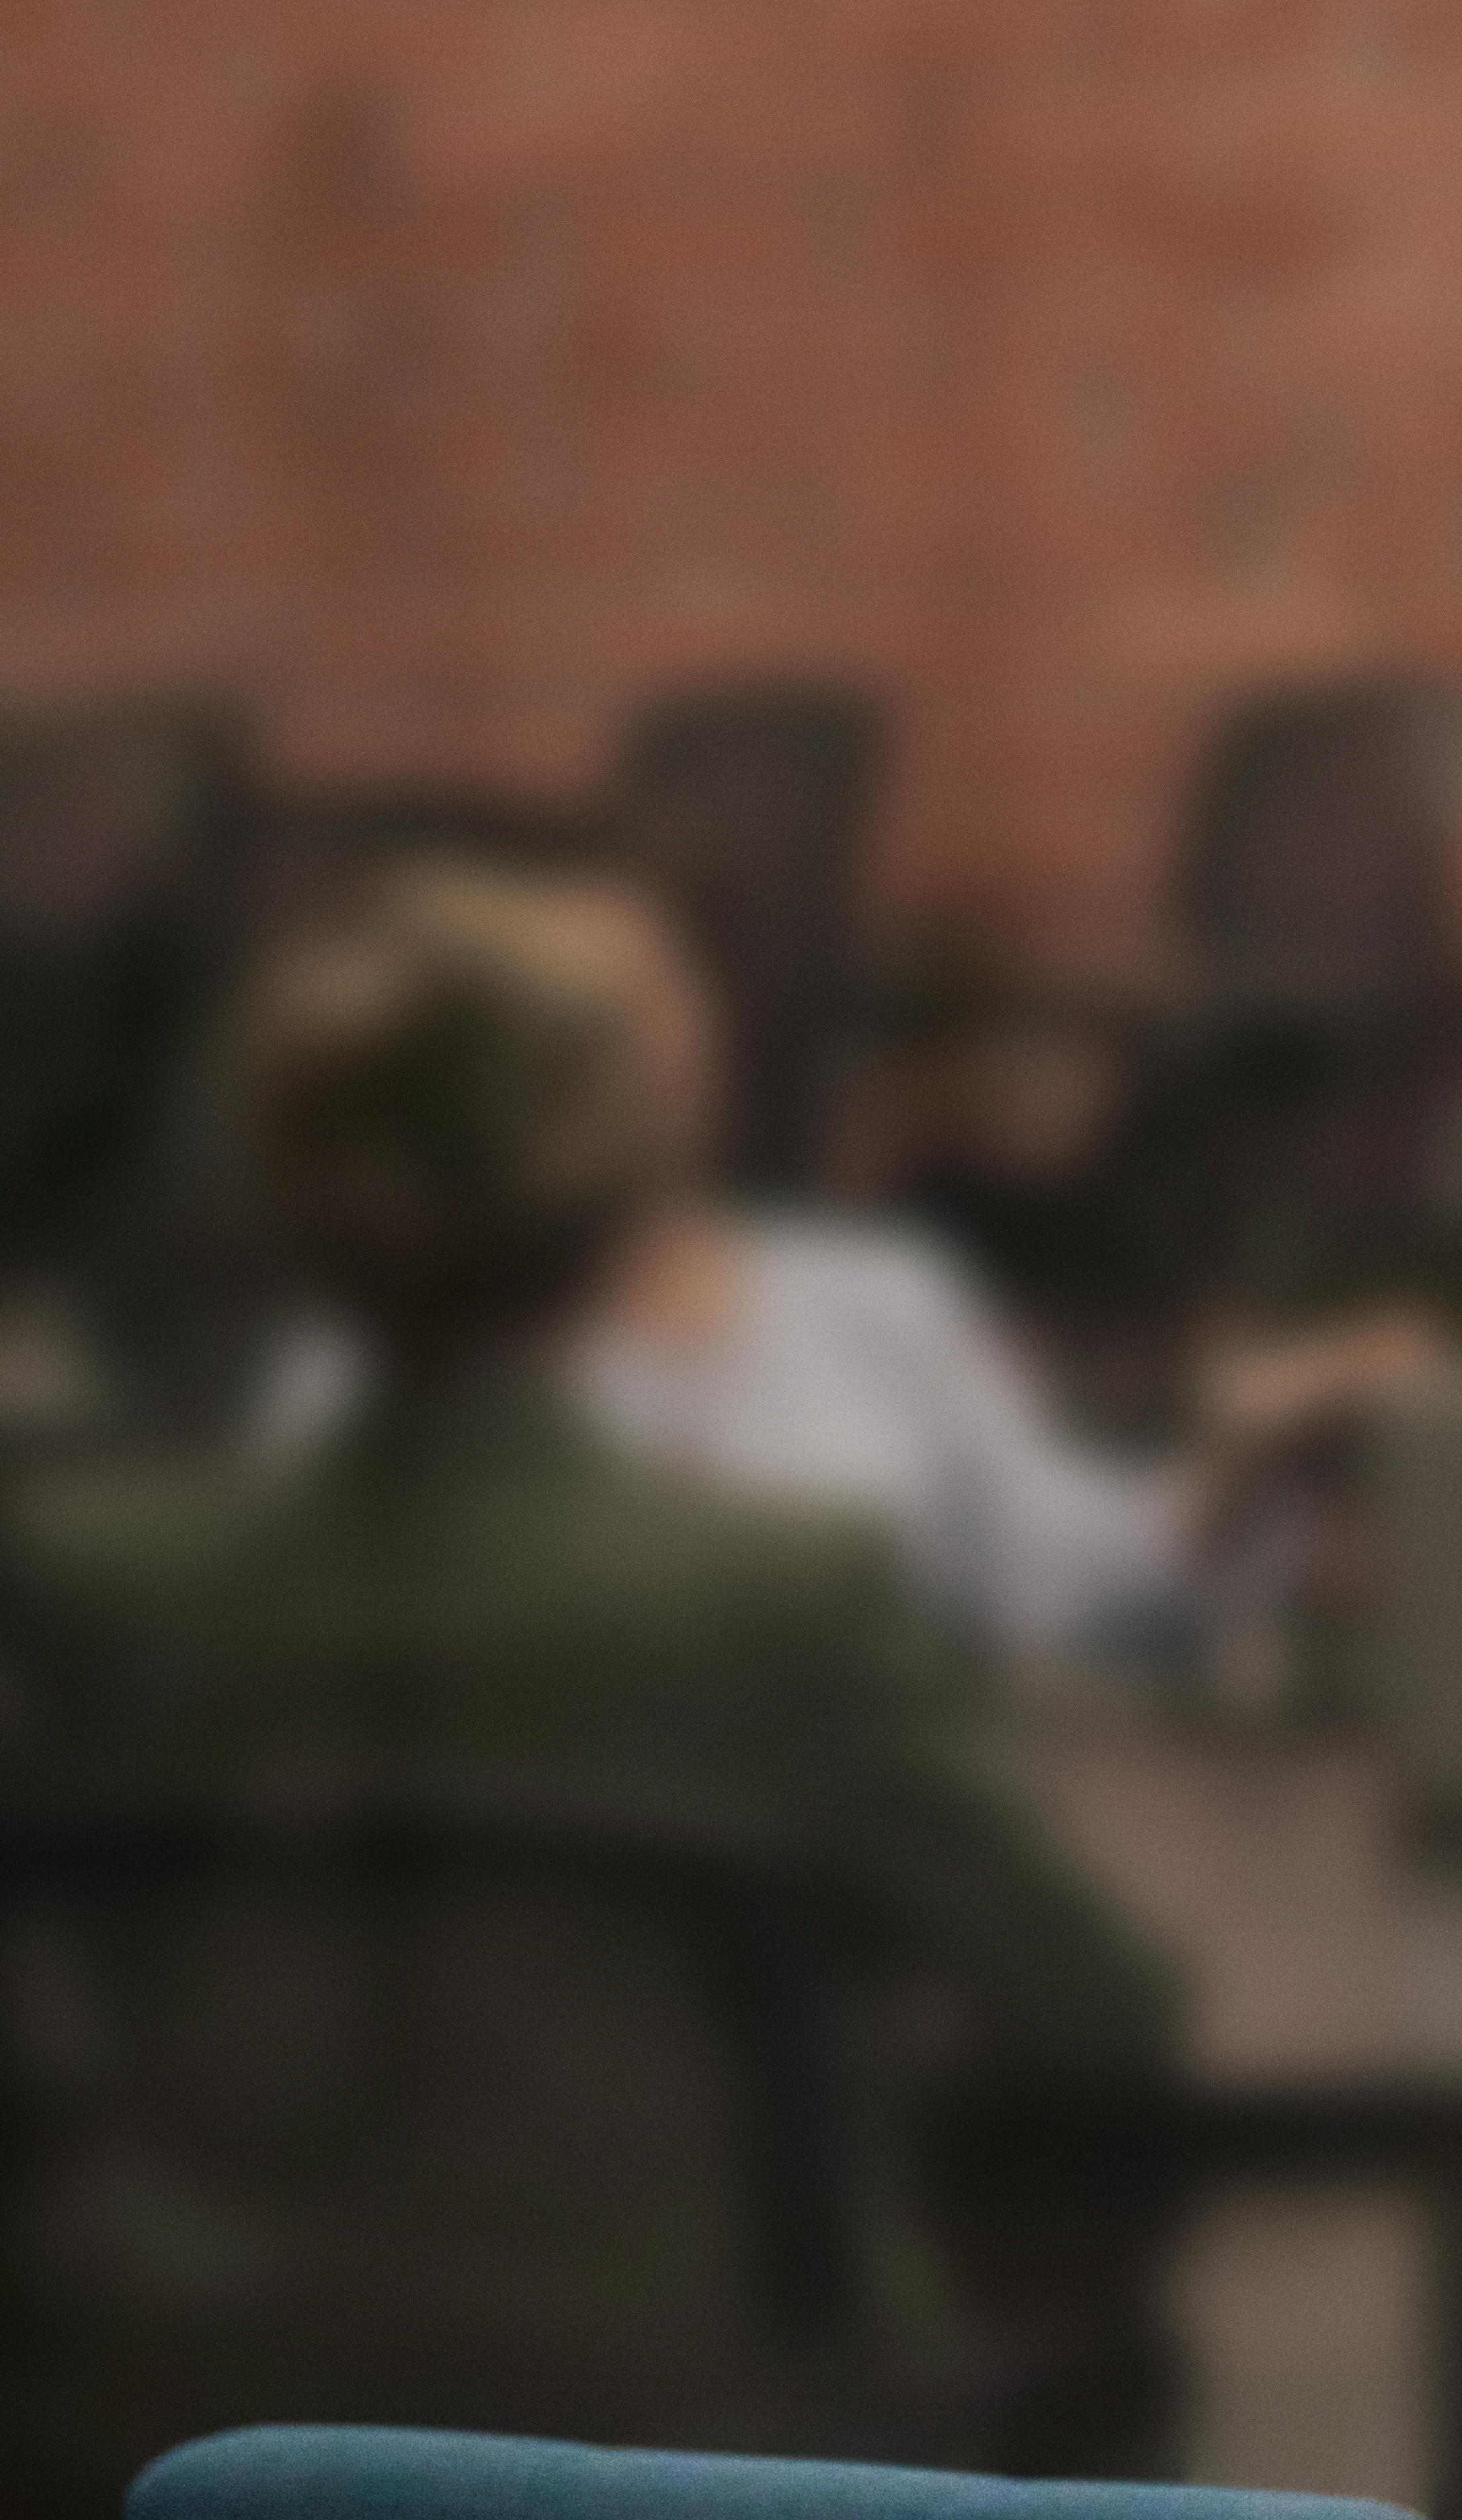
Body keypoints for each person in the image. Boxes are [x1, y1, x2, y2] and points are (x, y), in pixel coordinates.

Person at [7, 862, 1175, 2086]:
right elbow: (1109, 2004)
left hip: (213, 2262)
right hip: (691, 2272)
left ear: (282, 1180)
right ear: (622, 1180)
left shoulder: (93, 1601)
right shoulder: (791, 1600)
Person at [245, 870, 1418, 1666]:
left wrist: (1238, 1469)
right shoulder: (382, 1354)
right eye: (588, 1017)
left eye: (663, 995)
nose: (643, 1043)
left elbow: (1069, 1574)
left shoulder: (875, 1297)